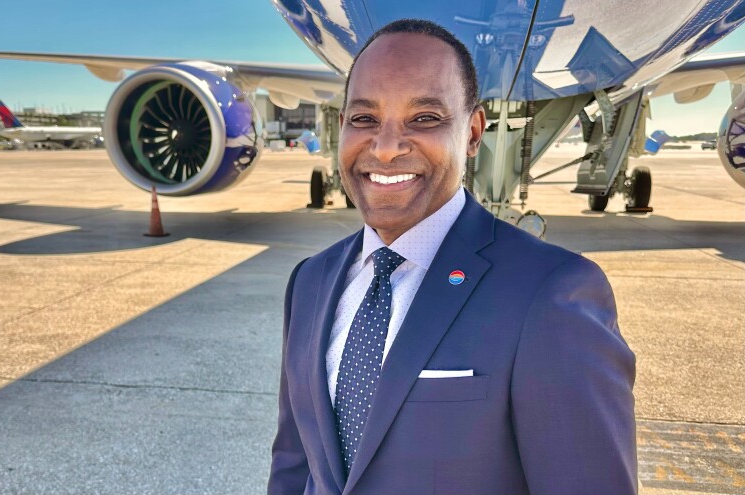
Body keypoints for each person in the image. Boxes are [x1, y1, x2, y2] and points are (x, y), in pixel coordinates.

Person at [268, 18, 637, 495]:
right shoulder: (310, 281)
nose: (384, 149)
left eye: (424, 119)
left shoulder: (550, 294)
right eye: (364, 119)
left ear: (472, 132)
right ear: (342, 127)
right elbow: (295, 463)